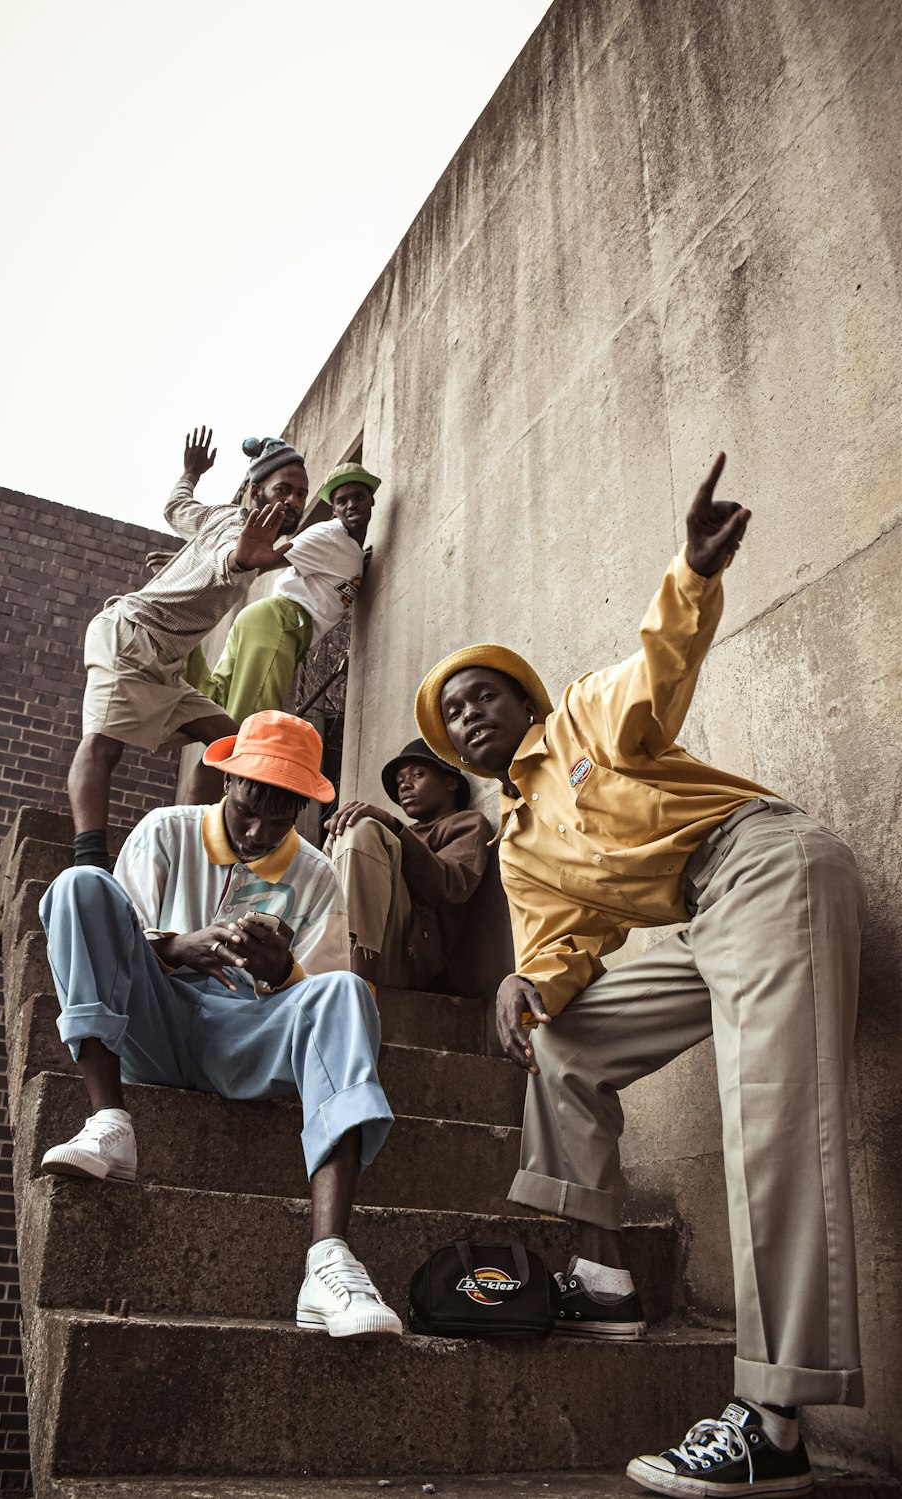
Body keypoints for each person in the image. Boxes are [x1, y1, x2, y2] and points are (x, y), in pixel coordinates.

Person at [414, 453, 865, 1493]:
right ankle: (606, 1271)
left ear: (522, 699)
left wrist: (693, 572)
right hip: (707, 924)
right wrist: (519, 987)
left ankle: (774, 1413)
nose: (474, 713)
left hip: (764, 864)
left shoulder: (580, 719)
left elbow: (654, 670)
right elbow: (558, 956)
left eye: (487, 694)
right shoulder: (519, 845)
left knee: (769, 1112)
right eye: (457, 712)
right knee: (562, 1037)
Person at [41, 710, 402, 1340]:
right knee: (79, 887)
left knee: (347, 991)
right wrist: (176, 948)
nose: (261, 830)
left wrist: (282, 969)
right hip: (152, 1023)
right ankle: (110, 1122)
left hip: (246, 1038)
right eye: (249, 807)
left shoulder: (317, 873)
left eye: (281, 815)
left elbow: (321, 999)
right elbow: (114, 944)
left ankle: (328, 1261)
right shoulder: (165, 831)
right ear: (227, 781)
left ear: (302, 810)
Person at [67, 428, 305, 870]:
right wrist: (239, 561)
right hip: (132, 636)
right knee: (103, 745)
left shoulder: (218, 517)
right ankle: (89, 861)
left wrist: (190, 474)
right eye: (282, 490)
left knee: (232, 741)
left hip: (166, 663)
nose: (292, 501)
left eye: (300, 494)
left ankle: (198, 839)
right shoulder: (236, 532)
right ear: (256, 492)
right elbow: (222, 563)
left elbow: (177, 510)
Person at [185, 459, 380, 728]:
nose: (351, 505)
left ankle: (180, 645)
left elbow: (337, 571)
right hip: (280, 624)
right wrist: (200, 574)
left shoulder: (352, 551)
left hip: (262, 623)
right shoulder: (329, 534)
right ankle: (179, 628)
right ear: (334, 510)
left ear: (371, 500)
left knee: (214, 708)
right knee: (251, 731)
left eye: (358, 497)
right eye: (342, 501)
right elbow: (263, 561)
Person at [323, 738, 491, 989]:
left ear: (450, 782)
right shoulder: (394, 835)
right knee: (343, 831)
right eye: (400, 781)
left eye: (417, 775)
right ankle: (326, 961)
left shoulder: (467, 824)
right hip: (351, 949)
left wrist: (392, 826)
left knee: (362, 827)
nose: (405, 786)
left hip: (407, 956)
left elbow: (452, 888)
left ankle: (355, 985)